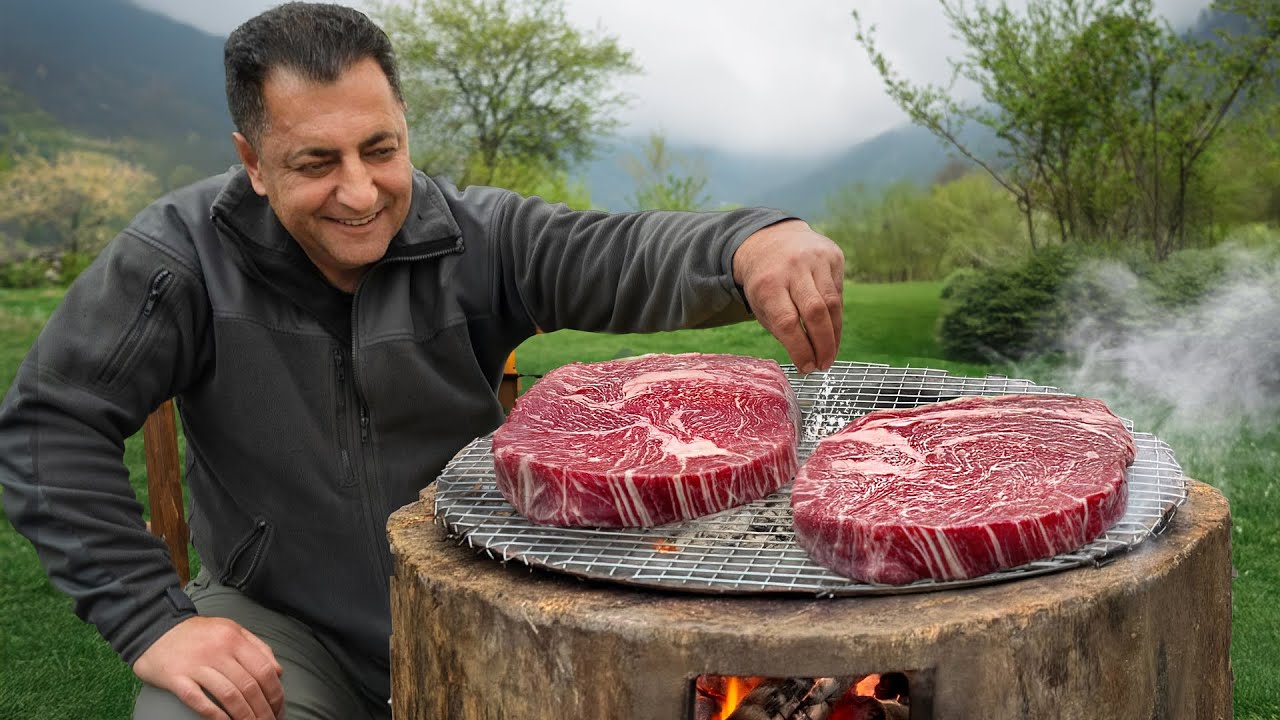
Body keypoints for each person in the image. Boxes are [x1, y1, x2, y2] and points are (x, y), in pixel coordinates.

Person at [0, 3, 844, 719]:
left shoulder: (474, 238)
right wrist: (154, 621)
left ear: (405, 128)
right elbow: (50, 424)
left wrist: (751, 241)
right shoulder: (177, 260)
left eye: (380, 148)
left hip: (487, 598)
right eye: (315, 162)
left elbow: (616, 250)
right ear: (252, 163)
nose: (361, 192)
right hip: (285, 626)